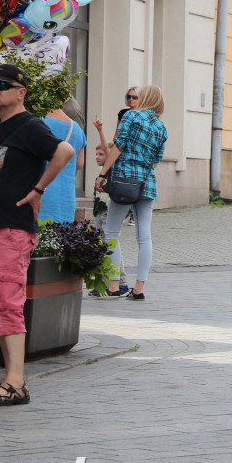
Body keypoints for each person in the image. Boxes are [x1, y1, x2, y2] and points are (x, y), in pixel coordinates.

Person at [0, 63, 75, 406]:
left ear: (20, 92)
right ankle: (9, 378)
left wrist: (38, 190)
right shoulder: (4, 128)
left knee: (7, 303)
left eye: (2, 85)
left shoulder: (29, 125)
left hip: (11, 228)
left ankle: (16, 382)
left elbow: (65, 151)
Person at [95, 85, 168, 301]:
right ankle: (139, 288)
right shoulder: (161, 127)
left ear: (144, 98)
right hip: (147, 184)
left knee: (111, 232)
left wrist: (102, 173)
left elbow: (118, 147)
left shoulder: (131, 116)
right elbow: (156, 160)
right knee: (144, 236)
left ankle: (114, 284)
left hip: (124, 181)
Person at [87, 141, 129, 298]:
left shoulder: (113, 170)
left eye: (101, 154)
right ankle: (110, 283)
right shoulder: (102, 174)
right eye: (96, 154)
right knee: (106, 249)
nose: (97, 157)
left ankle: (120, 283)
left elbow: (108, 149)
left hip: (108, 213)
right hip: (99, 213)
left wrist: (100, 131)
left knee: (111, 248)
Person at [37, 103, 87, 224]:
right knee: (62, 233)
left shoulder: (37, 122)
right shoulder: (76, 128)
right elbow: (79, 164)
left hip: (40, 192)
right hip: (66, 197)